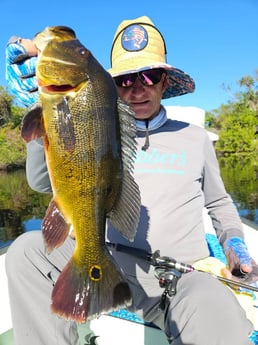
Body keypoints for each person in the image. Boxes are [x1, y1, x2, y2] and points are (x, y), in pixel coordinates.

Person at [5, 16, 258, 345]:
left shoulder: (194, 138)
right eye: (124, 80)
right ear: (111, 85)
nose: (137, 89)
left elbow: (220, 203)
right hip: (108, 269)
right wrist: (47, 117)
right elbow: (42, 183)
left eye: (150, 76)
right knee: (26, 250)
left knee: (212, 300)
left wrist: (235, 245)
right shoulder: (96, 125)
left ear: (165, 82)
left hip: (179, 280)